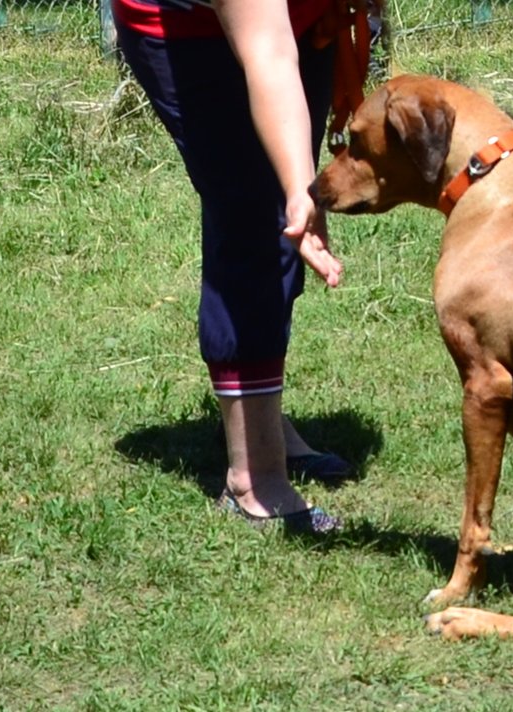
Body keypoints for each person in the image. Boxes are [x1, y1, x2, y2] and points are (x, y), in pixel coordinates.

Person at [113, 0, 349, 533]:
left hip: (296, 20)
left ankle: (263, 429)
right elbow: (266, 52)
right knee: (257, 217)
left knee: (283, 218)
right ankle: (252, 482)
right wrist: (298, 190)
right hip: (189, 32)